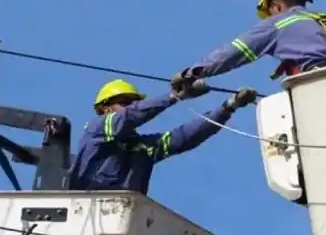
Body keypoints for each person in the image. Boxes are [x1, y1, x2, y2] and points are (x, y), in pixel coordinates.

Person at [67, 78, 257, 194]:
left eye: (135, 102)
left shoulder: (140, 147)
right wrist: (176, 96)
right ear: (106, 108)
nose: (132, 106)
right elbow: (131, 116)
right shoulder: (96, 130)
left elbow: (182, 138)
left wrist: (228, 107)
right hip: (86, 212)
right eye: (126, 102)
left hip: (123, 216)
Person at [170, 0, 326, 91]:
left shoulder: (278, 23)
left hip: (316, 85)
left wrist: (192, 73)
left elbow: (235, 52)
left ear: (276, 6)